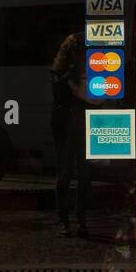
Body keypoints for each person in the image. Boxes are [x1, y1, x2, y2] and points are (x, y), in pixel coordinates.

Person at [50, 31, 92, 238]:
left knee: (79, 175)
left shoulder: (66, 72)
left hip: (75, 124)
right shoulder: (62, 73)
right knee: (69, 175)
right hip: (69, 124)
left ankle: (75, 219)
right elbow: (61, 95)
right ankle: (68, 219)